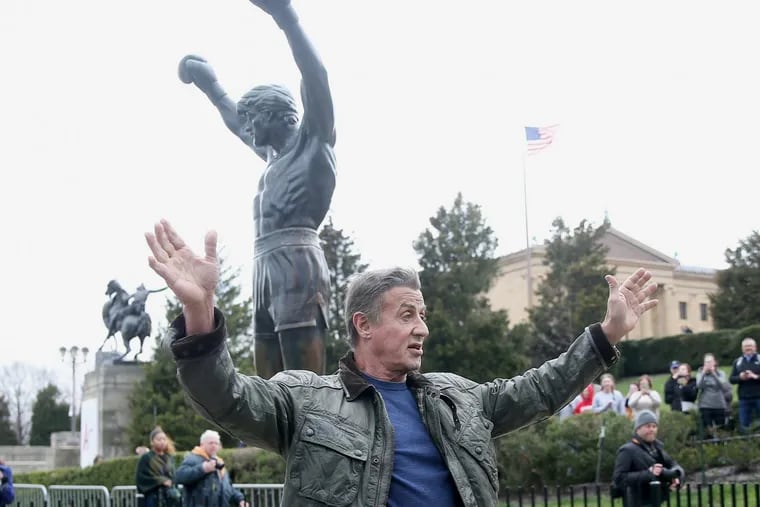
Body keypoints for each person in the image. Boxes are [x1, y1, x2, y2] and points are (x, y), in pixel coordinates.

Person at [144, 219, 659, 506]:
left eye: (423, 315)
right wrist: (199, 312)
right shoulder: (304, 401)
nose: (422, 328)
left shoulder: (461, 399)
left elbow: (540, 390)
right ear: (363, 324)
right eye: (407, 314)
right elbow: (225, 396)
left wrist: (608, 333)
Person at [178, 0, 336, 378]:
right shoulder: (272, 157)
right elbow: (233, 119)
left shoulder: (313, 142)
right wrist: (209, 84)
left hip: (297, 262)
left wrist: (286, 18)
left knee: (303, 384)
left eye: (252, 120)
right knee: (268, 380)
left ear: (272, 116)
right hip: (264, 266)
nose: (246, 127)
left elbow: (316, 75)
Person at [613, 410, 683, 506]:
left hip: (656, 500)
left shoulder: (657, 448)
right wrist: (648, 474)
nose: (652, 429)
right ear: (638, 429)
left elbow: (674, 465)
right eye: (648, 426)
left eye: (654, 426)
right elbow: (619, 478)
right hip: (636, 502)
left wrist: (676, 477)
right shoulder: (627, 450)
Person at [175, 430, 248, 507]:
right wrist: (202, 469)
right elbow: (179, 477)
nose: (214, 446)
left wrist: (240, 499)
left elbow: (227, 489)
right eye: (211, 443)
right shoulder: (192, 458)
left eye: (216, 443)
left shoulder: (219, 462)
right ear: (202, 444)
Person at [135, 426, 180, 507]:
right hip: (153, 497)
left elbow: (173, 474)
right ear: (152, 442)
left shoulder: (169, 457)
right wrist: (161, 481)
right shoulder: (146, 458)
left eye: (164, 439)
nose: (162, 442)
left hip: (168, 497)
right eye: (159, 439)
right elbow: (141, 477)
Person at [729, 337, 760, 432]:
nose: (748, 348)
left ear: (755, 347)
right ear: (742, 348)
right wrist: (740, 377)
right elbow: (731, 379)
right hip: (744, 398)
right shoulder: (737, 362)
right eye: (746, 346)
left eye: (750, 346)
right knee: (744, 425)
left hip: (759, 396)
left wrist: (755, 376)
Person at [697, 353, 732, 433]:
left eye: (710, 362)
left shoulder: (721, 373)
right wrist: (703, 374)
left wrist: (714, 374)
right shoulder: (700, 373)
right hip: (705, 405)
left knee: (720, 430)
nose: (708, 364)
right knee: (708, 430)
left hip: (719, 405)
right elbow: (699, 386)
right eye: (706, 362)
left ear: (714, 362)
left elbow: (723, 386)